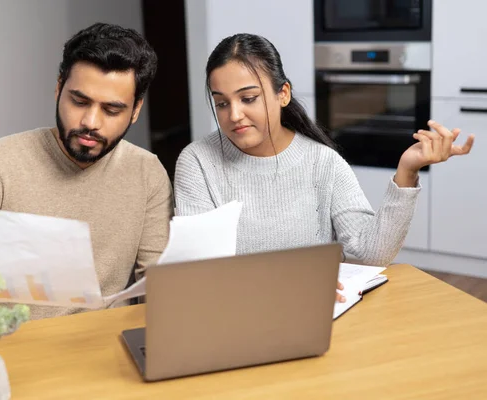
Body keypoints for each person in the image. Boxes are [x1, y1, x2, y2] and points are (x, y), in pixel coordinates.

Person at [173, 33, 474, 302]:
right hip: (231, 315)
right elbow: (201, 269)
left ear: (283, 94)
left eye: (248, 98)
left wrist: (407, 171)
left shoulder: (322, 162)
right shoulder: (198, 161)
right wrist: (287, 285)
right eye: (222, 104)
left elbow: (370, 254)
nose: (234, 114)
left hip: (313, 313)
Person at [0, 23, 173, 319]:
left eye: (111, 110)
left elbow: (159, 286)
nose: (90, 122)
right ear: (59, 88)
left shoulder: (147, 174)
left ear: (135, 110)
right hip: (13, 346)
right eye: (79, 101)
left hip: (105, 345)